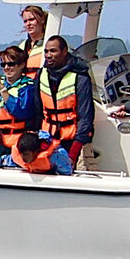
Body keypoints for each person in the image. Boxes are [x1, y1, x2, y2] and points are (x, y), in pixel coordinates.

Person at [36, 35, 95, 164]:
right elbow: (37, 111)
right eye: (46, 51)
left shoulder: (80, 78)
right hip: (48, 141)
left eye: (53, 51)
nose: (48, 55)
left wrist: (73, 154)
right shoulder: (41, 75)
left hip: (74, 143)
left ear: (64, 51)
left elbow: (85, 117)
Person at [0, 129, 75, 175]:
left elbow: (67, 172)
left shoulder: (56, 156)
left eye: (26, 154)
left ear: (36, 152)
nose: (23, 157)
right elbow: (6, 160)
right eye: (21, 154)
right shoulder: (19, 157)